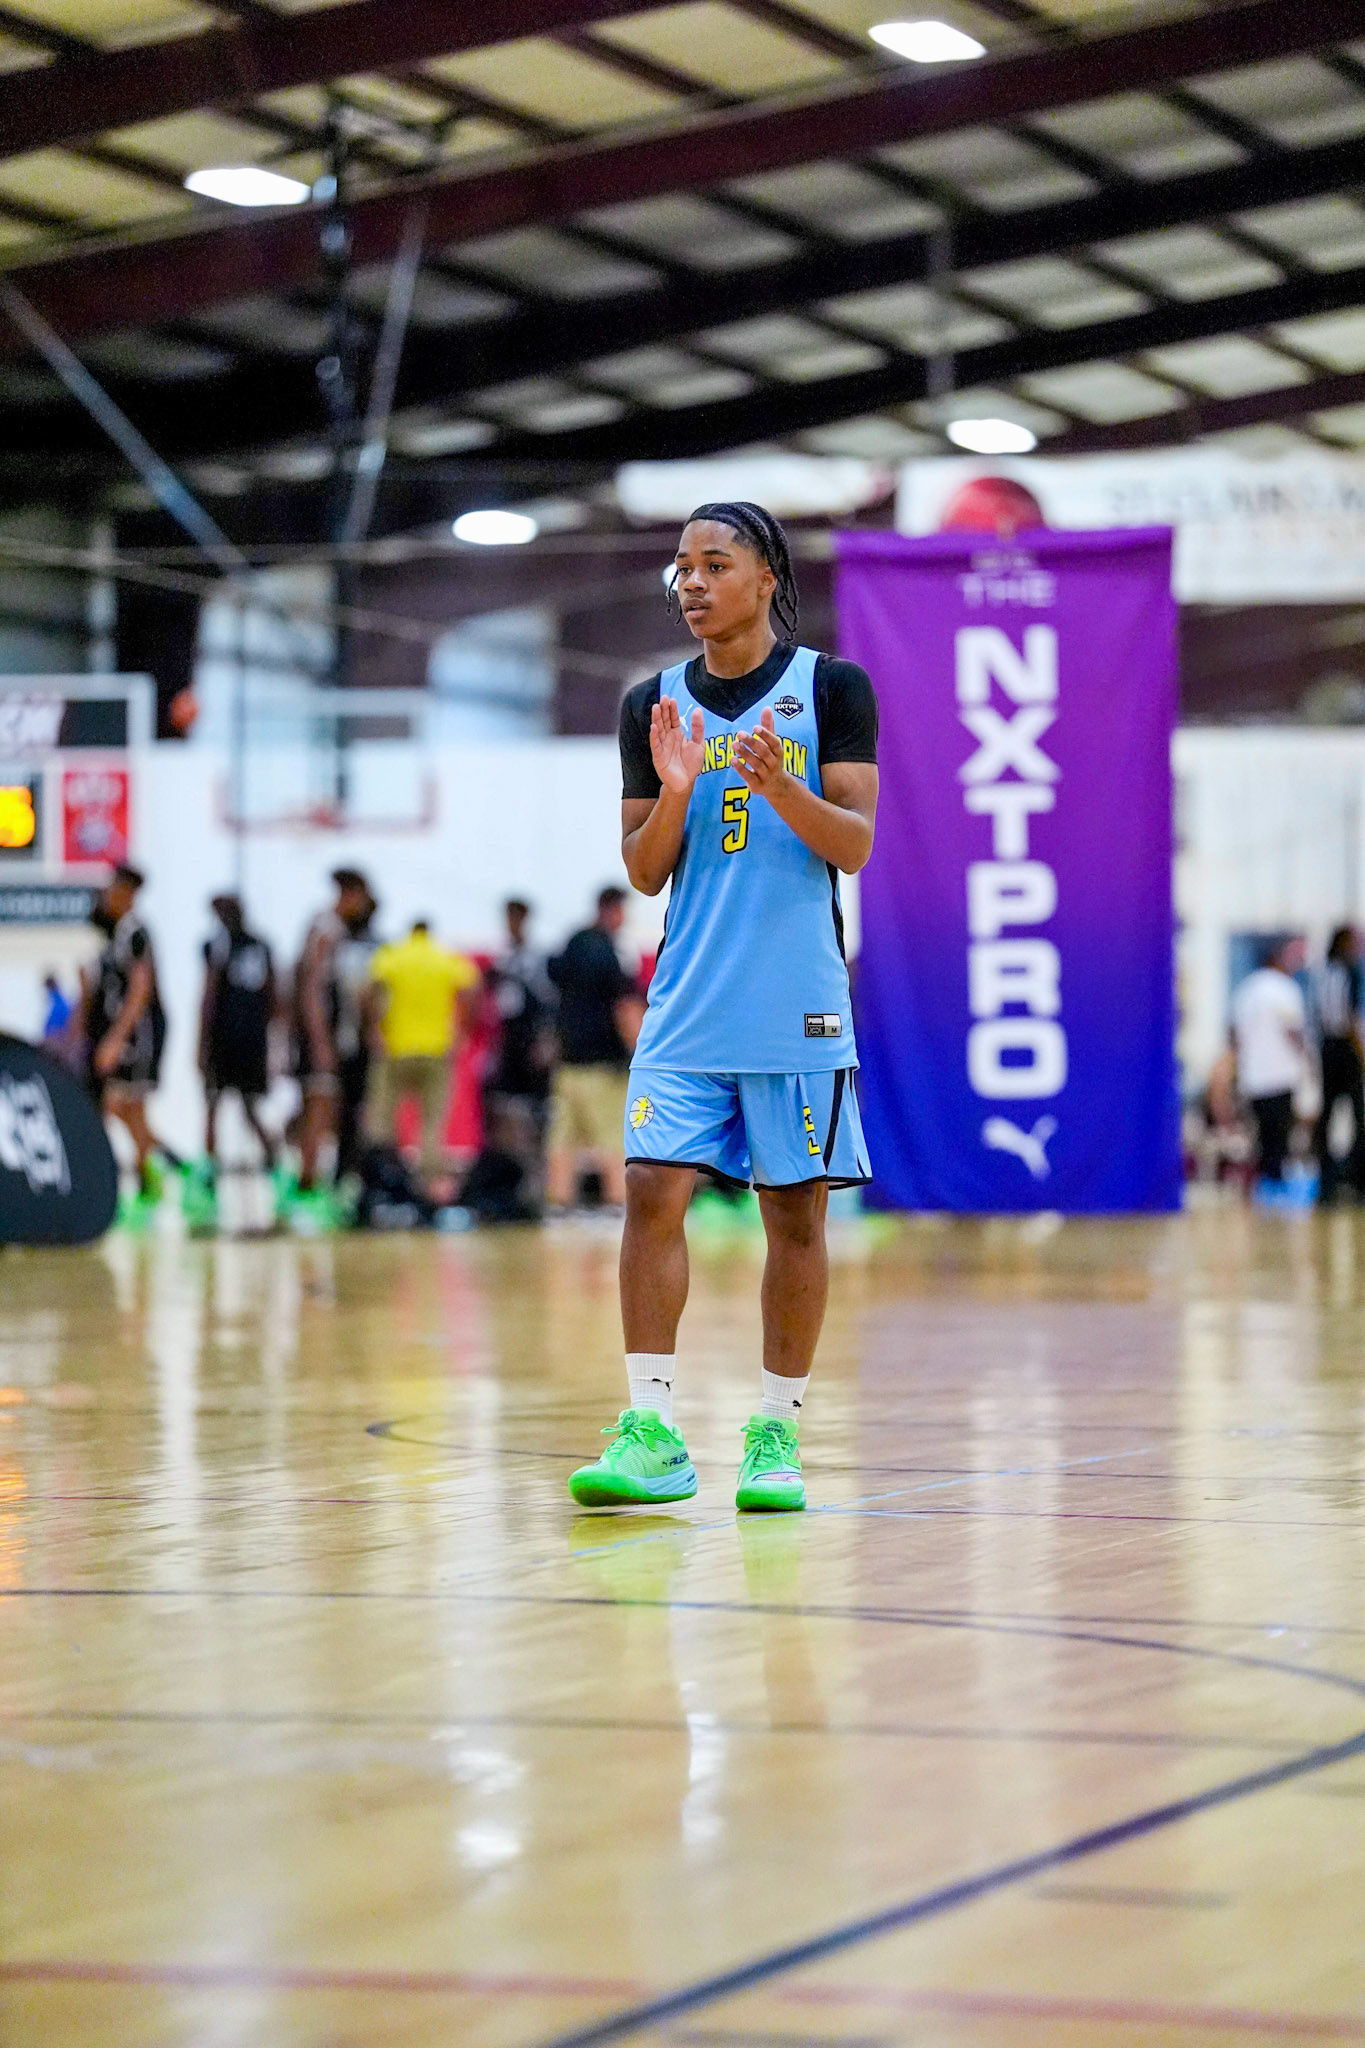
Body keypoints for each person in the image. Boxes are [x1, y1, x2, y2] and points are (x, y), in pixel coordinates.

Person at [568, 500, 878, 1516]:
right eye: (682, 568)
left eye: (713, 564)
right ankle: (651, 1430)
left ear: (766, 578)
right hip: (687, 1002)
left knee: (794, 1213)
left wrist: (779, 786)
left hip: (796, 1002)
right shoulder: (651, 704)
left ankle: (776, 1432)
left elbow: (854, 843)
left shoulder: (830, 688)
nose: (692, 583)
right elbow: (644, 871)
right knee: (650, 1188)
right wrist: (674, 790)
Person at [185, 895, 280, 1233]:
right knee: (219, 1107)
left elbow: (211, 997)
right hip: (238, 1041)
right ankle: (209, 1177)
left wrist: (201, 1043)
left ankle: (274, 1169)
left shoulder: (242, 947)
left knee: (241, 1108)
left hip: (238, 1041)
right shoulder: (231, 946)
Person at [545, 886, 642, 1212]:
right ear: (611, 909)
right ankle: (617, 1201)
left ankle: (559, 1203)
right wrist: (638, 1049)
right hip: (603, 1062)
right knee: (612, 1133)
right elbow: (624, 1005)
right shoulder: (609, 951)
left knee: (563, 1136)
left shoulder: (573, 943)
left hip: (568, 1061)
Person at [84, 864, 172, 1214]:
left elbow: (139, 991)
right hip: (125, 1037)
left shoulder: (136, 933)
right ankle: (160, 1172)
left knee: (127, 1107)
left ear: (126, 893)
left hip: (138, 1038)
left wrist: (115, 1039)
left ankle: (150, 1184)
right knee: (123, 1110)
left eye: (113, 889)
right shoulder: (116, 936)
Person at [290, 868, 376, 1217]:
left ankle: (318, 1183)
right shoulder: (325, 930)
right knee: (319, 1109)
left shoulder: (339, 931)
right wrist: (321, 1041)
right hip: (321, 1040)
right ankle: (306, 1187)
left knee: (332, 1111)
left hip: (337, 1038)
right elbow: (311, 990)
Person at [367, 918, 479, 1184]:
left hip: (396, 1046)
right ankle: (429, 1181)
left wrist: (375, 1028)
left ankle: (382, 1173)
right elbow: (472, 988)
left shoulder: (393, 955)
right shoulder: (444, 957)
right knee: (432, 1122)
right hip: (436, 1048)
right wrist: (463, 1027)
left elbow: (371, 989)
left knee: (383, 1117)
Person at [483, 897, 557, 1208]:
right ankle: (512, 1181)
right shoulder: (503, 960)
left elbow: (549, 1003)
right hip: (509, 1046)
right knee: (505, 1111)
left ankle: (538, 1183)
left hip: (531, 1046)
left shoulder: (536, 959)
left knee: (538, 1114)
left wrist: (547, 1040)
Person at [1231, 937, 1307, 1187]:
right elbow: (1293, 1031)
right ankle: (1276, 1185)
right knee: (1280, 1137)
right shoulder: (1285, 989)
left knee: (1262, 1137)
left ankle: (1265, 1182)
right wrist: (1307, 1059)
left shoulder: (1246, 990)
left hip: (1254, 1076)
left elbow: (1234, 1035)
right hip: (1280, 1074)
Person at [1311, 925, 1365, 1205]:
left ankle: (1338, 1178)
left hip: (1329, 1047)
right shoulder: (1346, 973)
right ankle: (1342, 1179)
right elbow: (1350, 1018)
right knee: (1351, 1114)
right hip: (1341, 1046)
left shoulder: (1323, 974)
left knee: (1334, 1114)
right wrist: (1360, 1053)